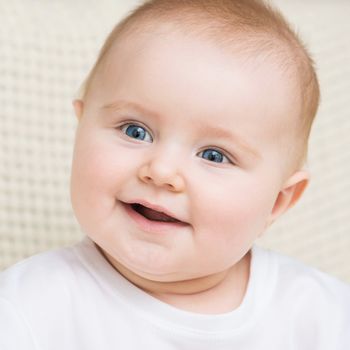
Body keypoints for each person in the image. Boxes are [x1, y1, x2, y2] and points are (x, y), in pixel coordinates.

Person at [1, 0, 349, 348]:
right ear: (81, 129)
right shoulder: (28, 310)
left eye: (214, 155)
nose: (162, 171)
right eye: (135, 131)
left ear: (277, 202)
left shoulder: (322, 316)